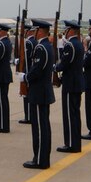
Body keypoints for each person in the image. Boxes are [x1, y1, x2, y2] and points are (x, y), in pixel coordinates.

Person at [21, 19, 55, 169]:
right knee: (43, 126)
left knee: (40, 128)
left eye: (35, 30)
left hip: (39, 92)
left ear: (40, 31)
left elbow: (37, 69)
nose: (33, 33)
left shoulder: (41, 47)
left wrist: (25, 77)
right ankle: (41, 157)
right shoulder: (47, 46)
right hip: (43, 91)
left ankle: (40, 159)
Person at [54, 20, 85, 154]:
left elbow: (64, 64)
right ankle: (75, 143)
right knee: (75, 114)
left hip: (70, 84)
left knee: (69, 115)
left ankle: (71, 144)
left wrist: (54, 67)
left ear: (71, 30)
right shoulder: (78, 44)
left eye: (66, 30)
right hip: (76, 82)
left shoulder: (70, 45)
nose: (65, 32)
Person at [18, 25, 37, 124]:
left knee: (27, 95)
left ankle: (28, 116)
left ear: (29, 32)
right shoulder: (35, 41)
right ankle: (30, 115)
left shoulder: (29, 42)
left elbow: (27, 58)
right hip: (31, 70)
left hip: (28, 70)